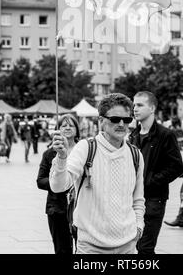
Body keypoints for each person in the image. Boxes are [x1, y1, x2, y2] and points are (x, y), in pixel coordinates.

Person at [49, 92, 145, 255]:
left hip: (128, 246)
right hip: (91, 248)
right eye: (115, 119)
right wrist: (61, 158)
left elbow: (138, 198)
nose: (122, 124)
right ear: (101, 121)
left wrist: (138, 226)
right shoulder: (85, 148)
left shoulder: (135, 155)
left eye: (127, 120)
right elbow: (58, 187)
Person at [129, 91, 183, 256]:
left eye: (139, 105)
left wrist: (152, 180)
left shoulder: (165, 135)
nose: (135, 109)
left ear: (152, 108)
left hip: (154, 199)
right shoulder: (134, 135)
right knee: (132, 246)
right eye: (134, 105)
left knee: (145, 248)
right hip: (132, 199)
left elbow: (177, 167)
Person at [37, 113, 80, 254]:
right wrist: (57, 183)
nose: (67, 127)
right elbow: (40, 180)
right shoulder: (49, 153)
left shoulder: (84, 151)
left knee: (83, 248)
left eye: (71, 125)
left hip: (81, 208)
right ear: (58, 129)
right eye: (64, 125)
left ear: (77, 129)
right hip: (57, 208)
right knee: (62, 249)